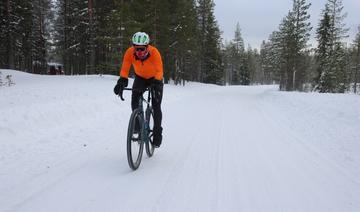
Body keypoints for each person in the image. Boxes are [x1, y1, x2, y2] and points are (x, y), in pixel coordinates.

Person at [114, 32, 164, 148]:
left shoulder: (154, 52)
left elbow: (159, 70)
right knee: (134, 100)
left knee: (156, 106)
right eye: (136, 49)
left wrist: (157, 83)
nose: (139, 52)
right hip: (140, 77)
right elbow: (125, 69)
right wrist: (122, 81)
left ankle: (157, 132)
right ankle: (137, 123)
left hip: (155, 78)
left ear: (147, 47)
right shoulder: (129, 53)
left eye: (142, 49)